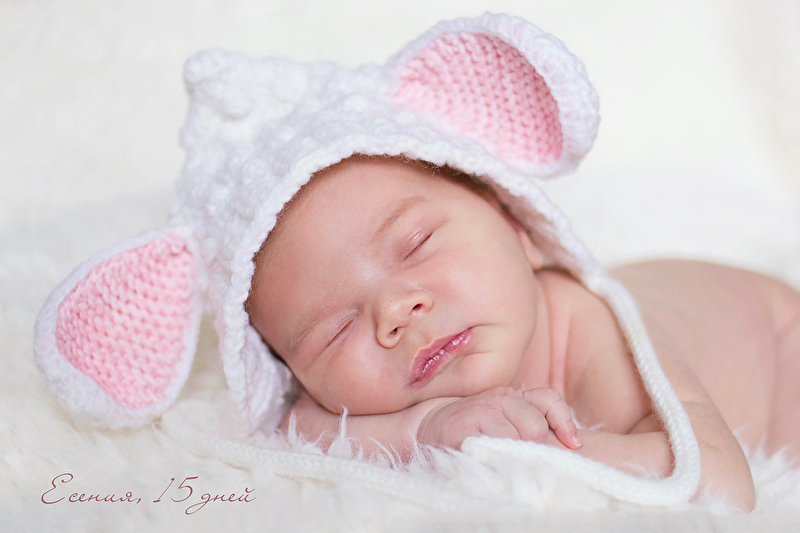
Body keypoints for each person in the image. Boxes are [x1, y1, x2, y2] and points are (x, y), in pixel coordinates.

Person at [246, 155, 800, 512]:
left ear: (518, 229)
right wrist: (426, 429)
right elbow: (296, 426)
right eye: (335, 331)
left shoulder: (597, 335)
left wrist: (515, 449)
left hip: (780, 338)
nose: (395, 310)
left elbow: (719, 479)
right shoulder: (344, 396)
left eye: (416, 244)